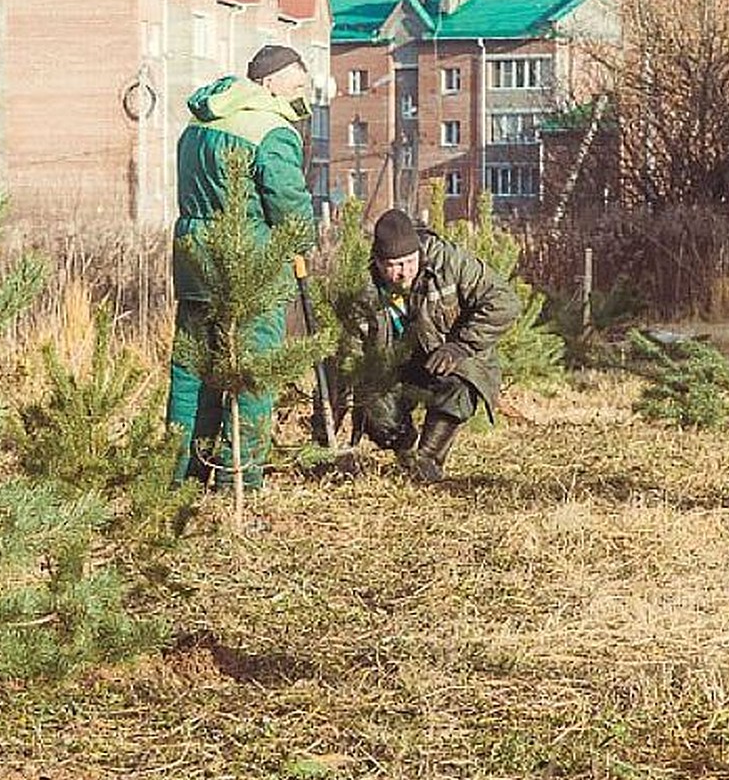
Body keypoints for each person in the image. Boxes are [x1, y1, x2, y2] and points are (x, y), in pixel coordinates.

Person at [166, 44, 316, 491]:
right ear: (270, 83)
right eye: (298, 84)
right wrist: (301, 242)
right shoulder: (271, 128)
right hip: (251, 262)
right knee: (253, 369)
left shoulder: (200, 120)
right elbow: (288, 202)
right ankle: (240, 477)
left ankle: (180, 471)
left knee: (192, 368)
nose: (302, 93)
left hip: (194, 258)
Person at [345, 207, 521, 484]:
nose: (402, 273)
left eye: (408, 262)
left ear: (419, 252)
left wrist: (459, 346)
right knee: (374, 406)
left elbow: (504, 302)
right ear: (377, 262)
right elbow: (348, 361)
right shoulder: (363, 290)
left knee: (460, 387)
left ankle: (427, 461)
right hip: (396, 365)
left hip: (449, 356)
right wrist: (324, 440)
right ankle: (406, 449)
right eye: (392, 265)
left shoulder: (449, 262)